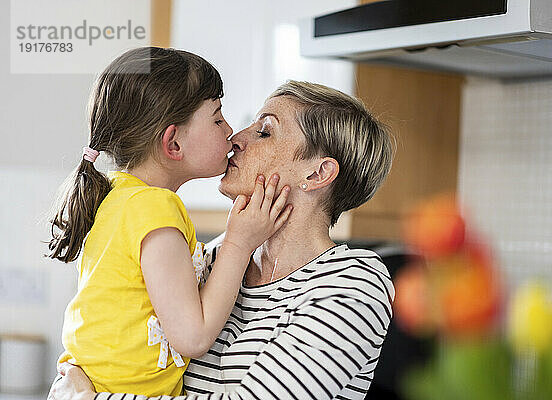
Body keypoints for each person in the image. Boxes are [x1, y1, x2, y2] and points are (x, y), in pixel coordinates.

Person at [49, 80, 396, 400]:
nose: (235, 138)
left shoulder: (351, 285)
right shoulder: (213, 261)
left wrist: (89, 398)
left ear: (317, 173)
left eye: (264, 131)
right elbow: (113, 347)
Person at [46, 47, 292, 397]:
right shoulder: (155, 208)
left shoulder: (120, 196)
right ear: (173, 143)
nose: (232, 131)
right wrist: (240, 242)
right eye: (218, 118)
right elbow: (193, 337)